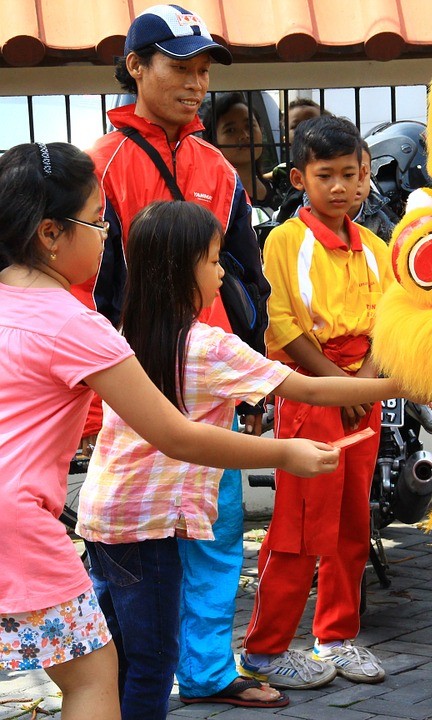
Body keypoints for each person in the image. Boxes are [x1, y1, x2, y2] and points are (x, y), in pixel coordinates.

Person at [0, 142, 338, 720]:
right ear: (51, 234)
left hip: (66, 519)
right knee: (94, 678)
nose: (106, 235)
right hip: (21, 524)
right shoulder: (78, 325)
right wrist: (284, 452)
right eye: (97, 221)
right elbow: (175, 436)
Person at [75, 200, 403, 719]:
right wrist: (415, 382)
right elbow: (311, 390)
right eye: (212, 260)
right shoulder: (208, 346)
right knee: (153, 664)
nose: (223, 271)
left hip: (104, 520)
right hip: (152, 529)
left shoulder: (126, 335)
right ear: (183, 272)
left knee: (115, 656)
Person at [69, 3, 276, 709]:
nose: (195, 83)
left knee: (216, 536)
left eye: (202, 70)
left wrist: (254, 381)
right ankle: (123, 684)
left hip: (209, 382)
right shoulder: (100, 164)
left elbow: (248, 275)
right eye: (179, 67)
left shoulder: (217, 165)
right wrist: (97, 399)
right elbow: (85, 293)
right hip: (133, 394)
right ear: (135, 67)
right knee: (133, 555)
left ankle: (210, 672)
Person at [240, 115, 393, 689]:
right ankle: (265, 647)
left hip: (365, 391)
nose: (338, 187)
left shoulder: (377, 247)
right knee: (301, 527)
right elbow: (280, 323)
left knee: (355, 521)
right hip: (311, 390)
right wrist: (340, 383)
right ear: (300, 179)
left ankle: (338, 635)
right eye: (324, 175)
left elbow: (393, 322)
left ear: (365, 177)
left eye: (349, 174)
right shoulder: (285, 239)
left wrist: (368, 381)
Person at [200, 92, 281, 238]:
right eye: (230, 130)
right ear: (213, 141)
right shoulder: (210, 198)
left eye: (249, 126)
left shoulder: (281, 190)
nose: (244, 135)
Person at [349, 141, 398, 242]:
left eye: (363, 173)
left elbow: (397, 244)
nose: (358, 182)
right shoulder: (310, 221)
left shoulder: (377, 217)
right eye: (348, 175)